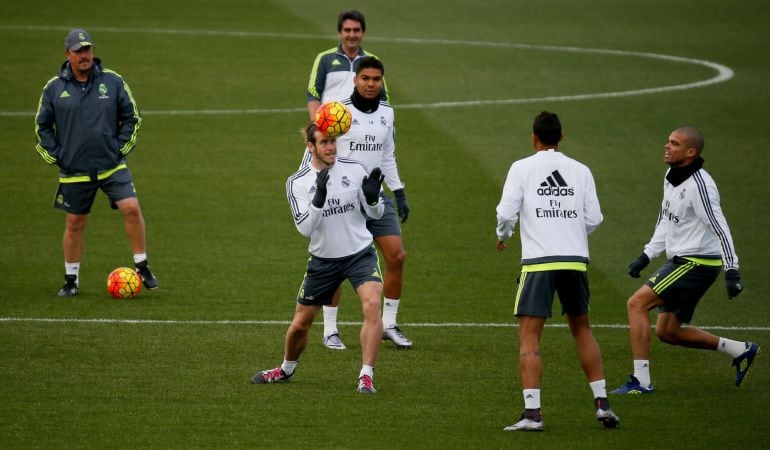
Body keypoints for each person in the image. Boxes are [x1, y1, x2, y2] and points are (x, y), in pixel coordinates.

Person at [610, 127, 759, 395]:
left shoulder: (700, 187)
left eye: (674, 143)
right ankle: (741, 349)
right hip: (683, 259)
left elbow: (719, 227)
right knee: (668, 332)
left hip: (697, 263)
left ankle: (641, 381)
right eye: (668, 140)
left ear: (691, 152)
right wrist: (647, 254)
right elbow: (666, 217)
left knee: (636, 304)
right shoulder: (671, 175)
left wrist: (732, 270)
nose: (667, 146)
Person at [496, 111, 619, 431]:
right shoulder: (581, 170)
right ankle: (603, 406)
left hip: (539, 262)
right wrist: (571, 235)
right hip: (575, 260)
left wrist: (503, 236)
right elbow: (595, 219)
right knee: (582, 330)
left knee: (529, 338)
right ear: (561, 137)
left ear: (533, 137)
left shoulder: (521, 168)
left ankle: (533, 415)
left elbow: (506, 212)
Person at [252, 122, 386, 394]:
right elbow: (305, 229)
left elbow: (375, 215)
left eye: (333, 141)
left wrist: (372, 200)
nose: (331, 147)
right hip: (324, 261)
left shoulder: (354, 169)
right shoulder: (298, 182)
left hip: (360, 254)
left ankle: (366, 375)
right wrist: (319, 197)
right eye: (324, 142)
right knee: (301, 324)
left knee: (372, 305)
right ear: (310, 146)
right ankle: (286, 369)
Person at [304, 25, 411, 350]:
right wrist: (313, 185)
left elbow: (387, 154)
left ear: (381, 82)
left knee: (397, 256)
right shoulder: (339, 114)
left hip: (375, 197)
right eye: (365, 79)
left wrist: (400, 190)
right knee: (337, 262)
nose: (370, 84)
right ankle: (330, 330)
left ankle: (388, 324)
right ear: (355, 80)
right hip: (343, 199)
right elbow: (317, 147)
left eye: (376, 79)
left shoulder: (387, 114)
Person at [34, 29, 157, 297]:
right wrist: (58, 156)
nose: (84, 55)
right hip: (74, 170)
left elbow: (132, 118)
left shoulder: (112, 82)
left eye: (87, 49)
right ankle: (71, 280)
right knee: (75, 222)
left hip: (111, 165)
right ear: (68, 54)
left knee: (132, 208)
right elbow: (42, 127)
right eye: (78, 51)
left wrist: (118, 149)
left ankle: (142, 266)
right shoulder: (54, 88)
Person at [305, 9, 388, 121]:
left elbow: (383, 97)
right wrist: (316, 125)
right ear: (340, 32)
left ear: (363, 32)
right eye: (347, 30)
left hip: (363, 127)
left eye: (356, 30)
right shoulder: (325, 58)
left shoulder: (372, 61)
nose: (352, 35)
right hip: (331, 127)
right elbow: (313, 94)